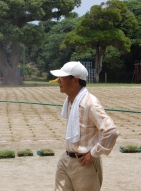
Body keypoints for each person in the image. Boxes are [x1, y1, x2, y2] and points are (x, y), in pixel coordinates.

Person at [50, 61, 119, 191]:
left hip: (84, 164)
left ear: (75, 81)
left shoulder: (90, 104)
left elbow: (111, 131)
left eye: (62, 78)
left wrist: (93, 153)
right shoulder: (71, 101)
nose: (58, 81)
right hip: (66, 160)